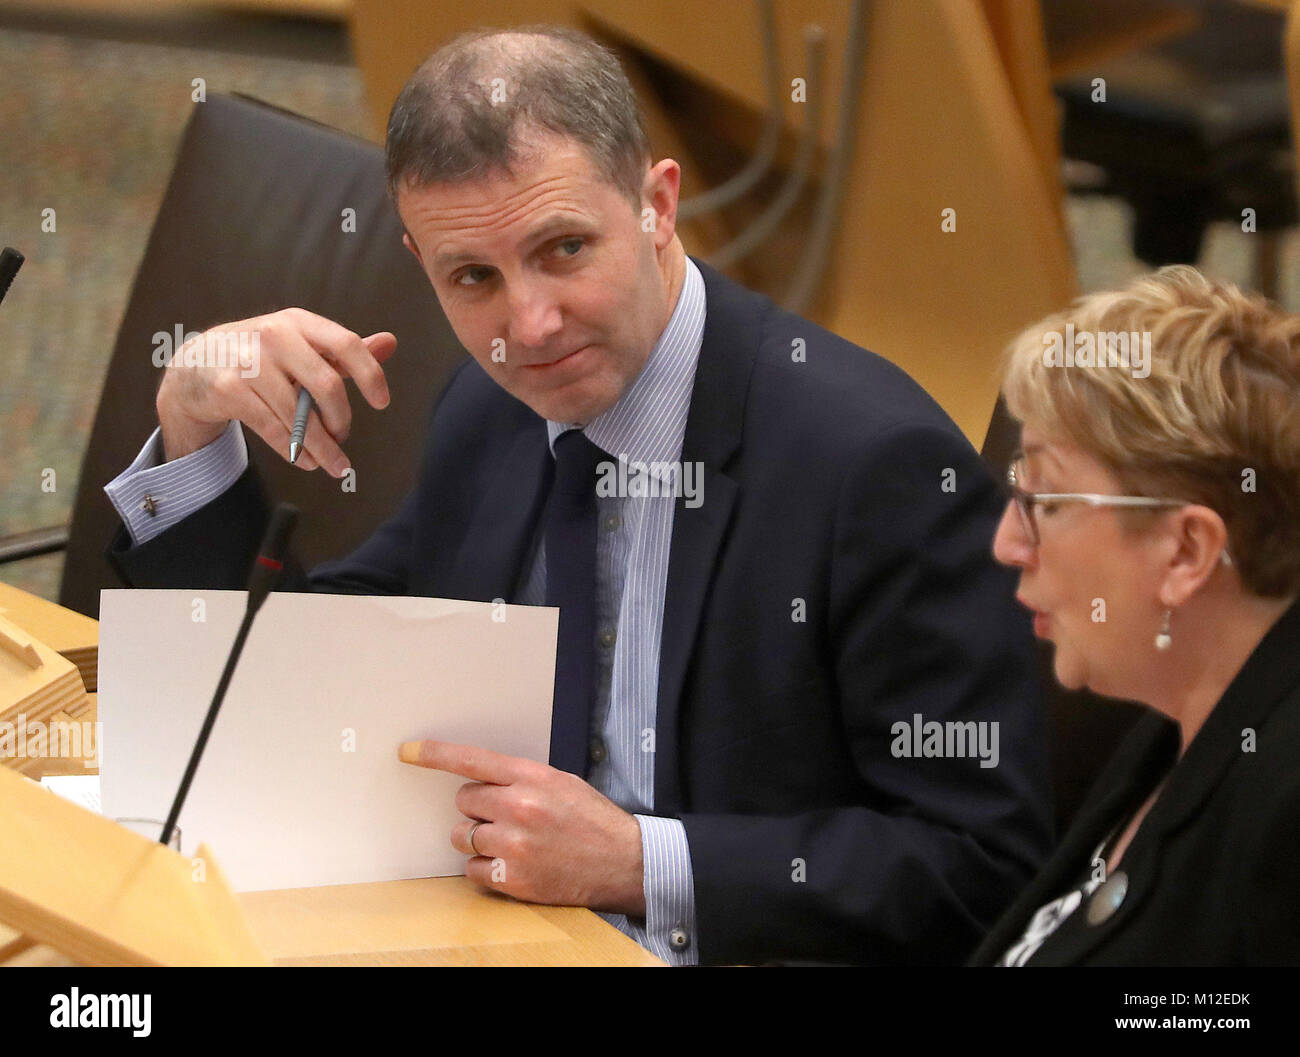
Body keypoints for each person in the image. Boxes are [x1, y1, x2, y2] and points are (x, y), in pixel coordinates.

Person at [104, 26, 1050, 965]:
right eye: (472, 276)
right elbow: (296, 678)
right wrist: (192, 429)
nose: (530, 324)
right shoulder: (494, 400)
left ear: (658, 205)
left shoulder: (871, 465)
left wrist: (642, 862)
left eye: (563, 249)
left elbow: (982, 865)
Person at [969, 266, 1300, 966]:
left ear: (1186, 550)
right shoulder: (1169, 728)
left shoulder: (1282, 803)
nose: (1006, 542)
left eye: (1047, 499)